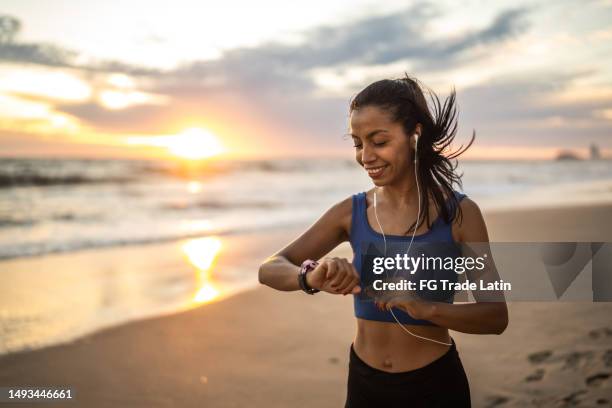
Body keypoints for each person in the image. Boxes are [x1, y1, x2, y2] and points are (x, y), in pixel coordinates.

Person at [258, 73, 508, 407]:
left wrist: (425, 308)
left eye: (379, 141)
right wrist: (309, 276)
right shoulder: (351, 212)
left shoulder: (460, 215)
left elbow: (495, 317)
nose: (365, 156)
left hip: (434, 386)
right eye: (358, 144)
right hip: (364, 385)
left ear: (414, 136)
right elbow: (270, 267)